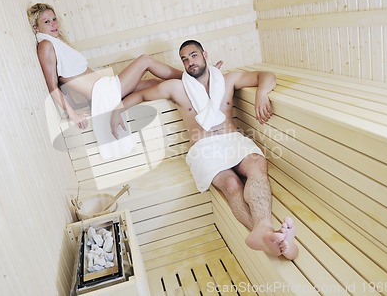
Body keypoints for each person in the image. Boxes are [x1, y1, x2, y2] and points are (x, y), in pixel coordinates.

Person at [111, 40, 298, 260]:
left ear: (204, 55)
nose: (190, 62)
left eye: (193, 55)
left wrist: (262, 94)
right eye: (184, 59)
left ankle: (264, 231)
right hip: (204, 148)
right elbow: (142, 95)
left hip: (232, 140)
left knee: (257, 163)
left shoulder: (228, 80)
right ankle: (271, 235)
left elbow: (265, 76)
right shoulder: (176, 87)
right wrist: (116, 110)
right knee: (231, 184)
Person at [26, 3, 184, 130]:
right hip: (103, 92)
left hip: (104, 89)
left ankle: (191, 87)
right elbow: (52, 86)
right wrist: (73, 114)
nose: (53, 24)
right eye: (47, 22)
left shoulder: (56, 44)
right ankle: (190, 77)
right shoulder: (46, 45)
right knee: (145, 61)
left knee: (155, 84)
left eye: (54, 19)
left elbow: (66, 82)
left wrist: (80, 105)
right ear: (36, 28)